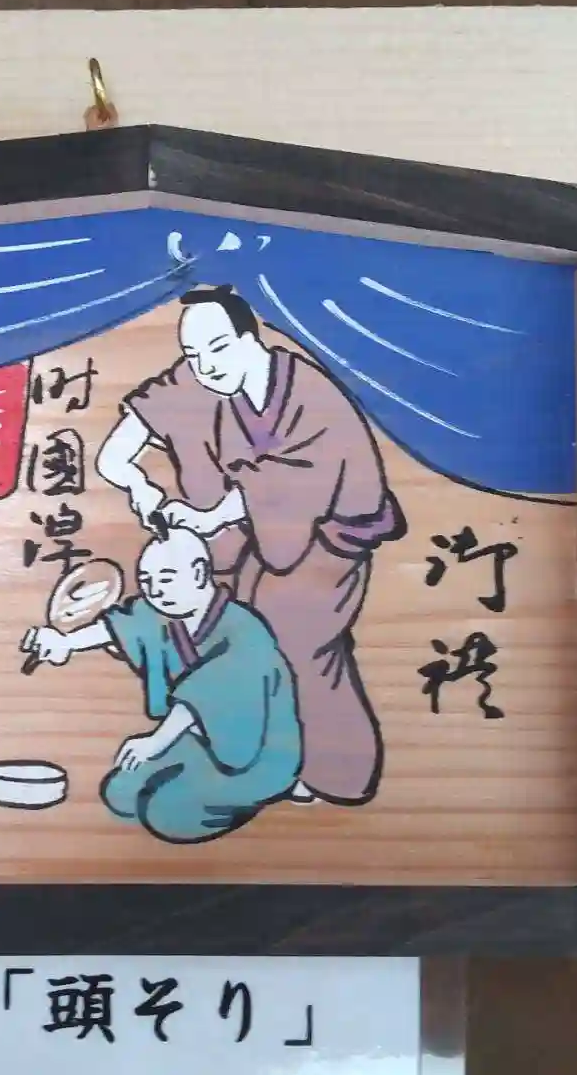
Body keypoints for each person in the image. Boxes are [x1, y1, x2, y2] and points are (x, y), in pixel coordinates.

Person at [95, 285, 404, 805]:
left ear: (249, 337)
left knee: (296, 642)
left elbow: (296, 482)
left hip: (329, 540)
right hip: (256, 543)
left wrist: (210, 516)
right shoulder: (197, 382)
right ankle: (253, 756)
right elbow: (114, 456)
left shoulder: (311, 395)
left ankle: (337, 774)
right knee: (235, 636)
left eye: (218, 348)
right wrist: (140, 487)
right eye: (194, 354)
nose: (206, 366)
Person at [20, 529, 302, 843]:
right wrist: (66, 642)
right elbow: (123, 625)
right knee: (121, 793)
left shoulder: (244, 630)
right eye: (147, 581)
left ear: (199, 573)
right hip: (196, 741)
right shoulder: (164, 614)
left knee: (166, 813)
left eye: (166, 579)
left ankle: (258, 796)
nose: (155, 592)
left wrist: (156, 742)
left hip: (254, 755)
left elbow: (211, 693)